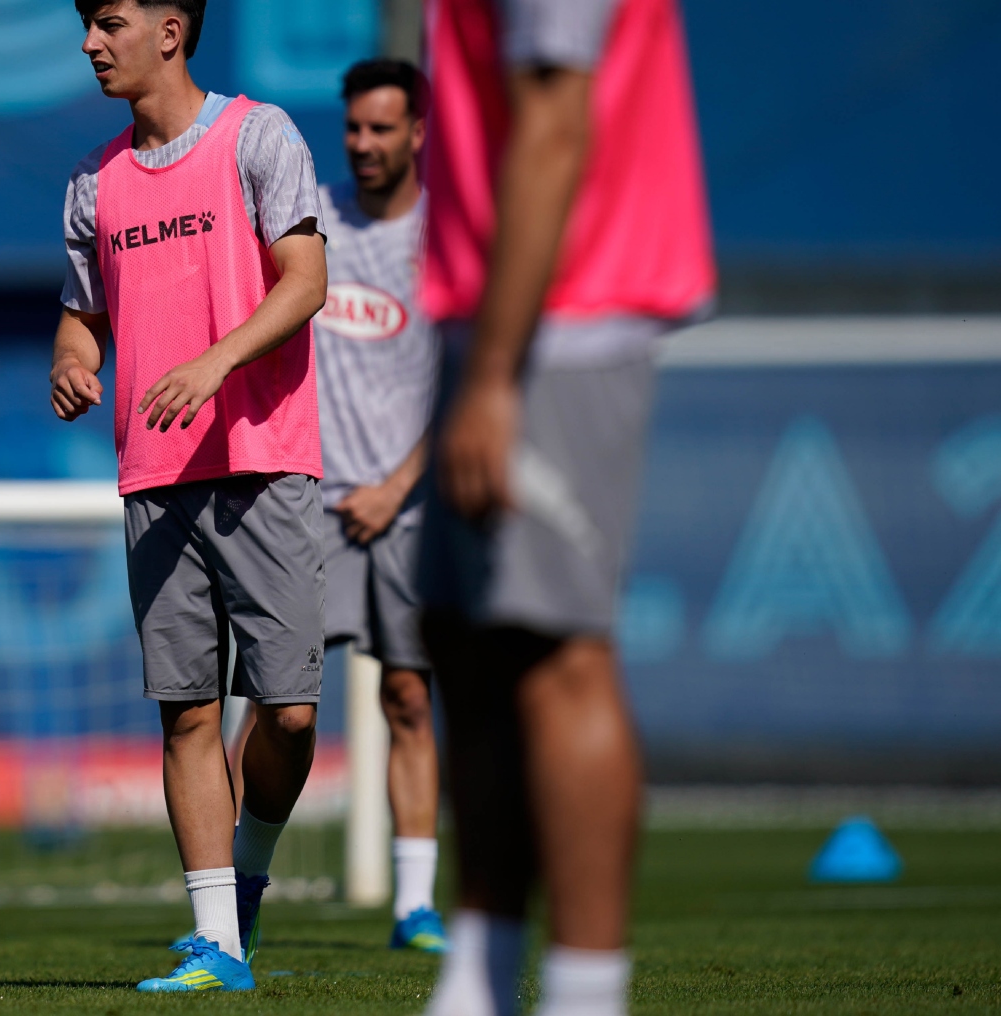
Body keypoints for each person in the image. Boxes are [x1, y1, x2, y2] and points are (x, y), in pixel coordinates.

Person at [415, 0, 714, 1013]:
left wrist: (496, 373)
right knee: (471, 650)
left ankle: (587, 991)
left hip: (557, 322)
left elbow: (554, 122)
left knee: (555, 657)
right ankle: (483, 973)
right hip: (480, 317)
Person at [51, 0, 329, 993]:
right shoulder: (92, 179)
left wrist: (214, 362)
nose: (90, 40)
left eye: (109, 20)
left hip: (264, 460)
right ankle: (217, 939)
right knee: (185, 714)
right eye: (85, 22)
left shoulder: (261, 136)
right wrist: (73, 362)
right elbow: (82, 316)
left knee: (290, 713)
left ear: (172, 28)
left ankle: (246, 877)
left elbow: (305, 283)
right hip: (154, 478)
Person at [313, 57, 446, 954]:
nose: (363, 143)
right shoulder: (309, 220)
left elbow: (474, 382)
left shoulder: (448, 240)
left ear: (419, 134)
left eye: (381, 128)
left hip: (407, 508)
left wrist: (398, 485)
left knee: (408, 696)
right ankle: (232, 906)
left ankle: (415, 906)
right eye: (354, 127)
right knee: (275, 706)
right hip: (308, 506)